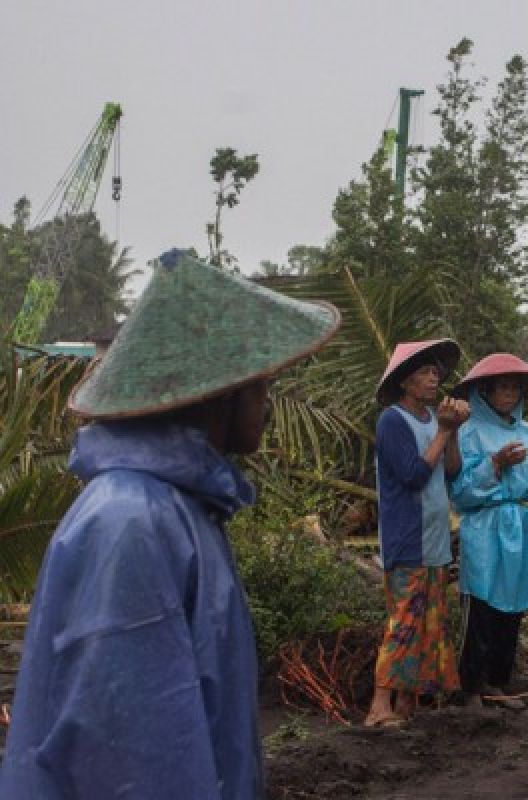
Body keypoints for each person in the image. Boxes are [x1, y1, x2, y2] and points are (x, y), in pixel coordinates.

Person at [0, 250, 340, 799]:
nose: (269, 404)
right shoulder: (131, 521)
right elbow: (132, 762)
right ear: (219, 393)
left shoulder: (175, 508)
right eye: (263, 387)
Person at [449, 353, 528, 708]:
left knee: (512, 609)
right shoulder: (467, 431)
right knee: (482, 606)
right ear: (484, 390)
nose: (509, 393)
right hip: (487, 528)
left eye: (515, 387)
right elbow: (461, 492)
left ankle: (497, 683)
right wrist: (496, 464)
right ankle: (470, 687)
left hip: (525, 529)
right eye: (502, 386)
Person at [365, 339, 470, 727]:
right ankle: (379, 707)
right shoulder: (393, 421)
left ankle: (407, 706)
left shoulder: (432, 421)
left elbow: (453, 471)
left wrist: (452, 432)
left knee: (430, 623)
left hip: (436, 539)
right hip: (407, 539)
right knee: (404, 620)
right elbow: (412, 475)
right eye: (426, 373)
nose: (434, 379)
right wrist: (443, 431)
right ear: (406, 381)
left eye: (436, 374)